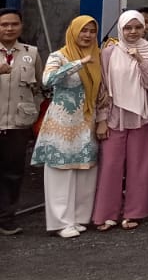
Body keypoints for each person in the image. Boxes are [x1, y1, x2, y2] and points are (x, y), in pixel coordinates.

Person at [34, 16, 106, 237]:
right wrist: (78, 63)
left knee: (85, 170)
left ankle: (78, 217)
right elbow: (47, 80)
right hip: (62, 123)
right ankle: (60, 222)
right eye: (83, 30)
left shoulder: (98, 57)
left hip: (86, 121)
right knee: (60, 171)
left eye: (92, 31)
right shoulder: (60, 55)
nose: (87, 35)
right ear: (73, 31)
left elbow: (102, 93)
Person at [92, 10, 148, 231]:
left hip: (143, 115)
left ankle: (135, 211)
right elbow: (102, 88)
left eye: (137, 27)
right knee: (111, 165)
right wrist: (102, 119)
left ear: (144, 28)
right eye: (128, 28)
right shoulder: (109, 53)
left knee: (140, 165)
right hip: (114, 115)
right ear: (120, 29)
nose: (133, 32)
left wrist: (139, 59)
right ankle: (106, 213)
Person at [0, 8, 43, 235]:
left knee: (13, 172)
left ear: (21, 26)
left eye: (13, 24)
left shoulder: (31, 53)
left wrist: (32, 110)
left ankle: (6, 219)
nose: (9, 28)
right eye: (4, 24)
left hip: (17, 123)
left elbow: (38, 85)